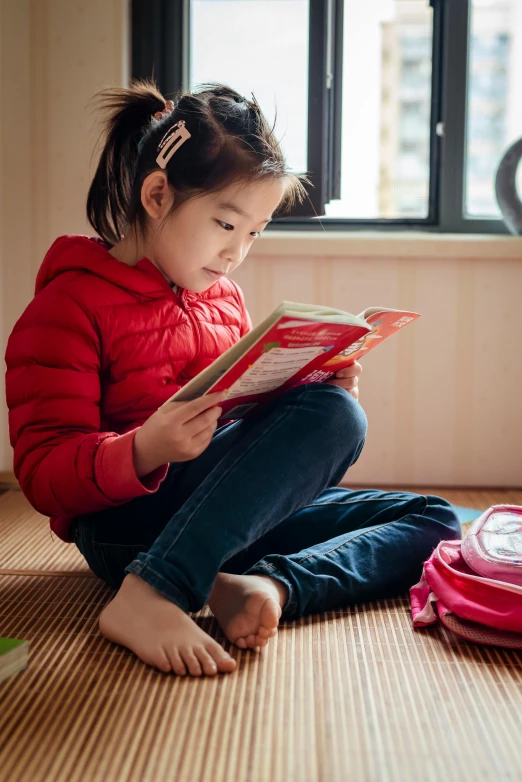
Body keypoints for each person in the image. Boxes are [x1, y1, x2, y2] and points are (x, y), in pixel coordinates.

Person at [4, 80, 462, 678]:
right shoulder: (67, 307)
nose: (237, 253)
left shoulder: (226, 300)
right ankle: (154, 590)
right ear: (158, 194)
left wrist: (311, 388)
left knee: (436, 520)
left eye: (254, 232)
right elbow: (41, 471)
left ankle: (267, 587)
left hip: (226, 515)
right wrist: (143, 449)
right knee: (336, 417)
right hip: (125, 530)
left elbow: (244, 427)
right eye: (226, 224)